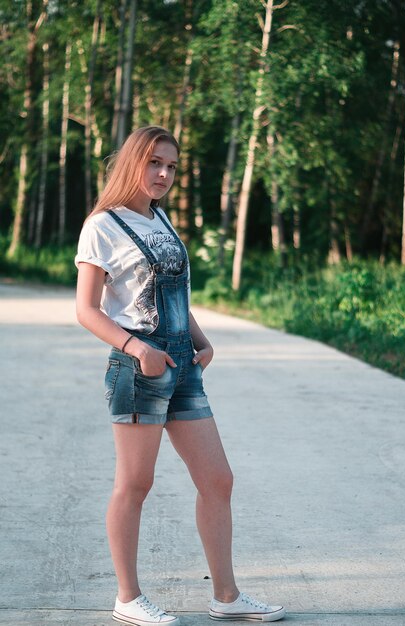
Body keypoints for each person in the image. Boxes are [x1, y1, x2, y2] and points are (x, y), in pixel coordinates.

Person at [75, 125, 286, 626]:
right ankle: (128, 597)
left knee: (218, 479)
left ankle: (227, 597)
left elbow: (174, 296)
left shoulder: (162, 219)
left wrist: (200, 339)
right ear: (132, 163)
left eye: (171, 166)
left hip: (183, 365)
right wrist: (136, 348)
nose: (164, 174)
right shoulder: (102, 225)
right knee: (135, 484)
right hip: (137, 365)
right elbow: (86, 310)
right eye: (154, 163)